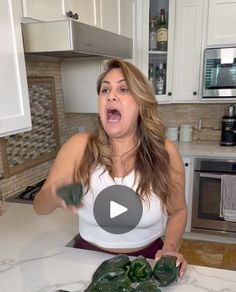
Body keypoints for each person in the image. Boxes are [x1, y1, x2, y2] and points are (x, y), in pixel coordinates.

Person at [33, 59, 187, 277]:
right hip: (86, 260)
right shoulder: (79, 147)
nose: (110, 96)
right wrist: (54, 193)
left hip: (147, 263)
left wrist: (170, 248)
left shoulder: (165, 153)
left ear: (141, 103)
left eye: (123, 89)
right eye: (105, 89)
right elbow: (40, 207)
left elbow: (178, 211)